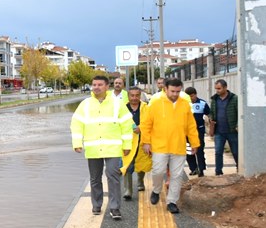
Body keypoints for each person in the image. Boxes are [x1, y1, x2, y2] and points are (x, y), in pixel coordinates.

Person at [71, 75, 134, 220]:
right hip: (93, 148)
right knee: (95, 178)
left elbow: (126, 125)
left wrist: (127, 145)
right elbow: (76, 123)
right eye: (94, 84)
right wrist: (77, 143)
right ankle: (97, 204)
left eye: (100, 84)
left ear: (107, 87)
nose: (96, 87)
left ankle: (115, 208)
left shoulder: (117, 104)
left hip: (112, 147)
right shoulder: (85, 104)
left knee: (113, 176)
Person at [141, 78, 199, 214]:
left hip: (178, 146)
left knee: (177, 175)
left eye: (178, 91)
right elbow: (146, 124)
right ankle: (156, 190)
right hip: (159, 146)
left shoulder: (185, 104)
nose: (175, 94)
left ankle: (172, 201)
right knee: (158, 171)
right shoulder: (155, 103)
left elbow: (191, 126)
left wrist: (194, 142)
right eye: (172, 91)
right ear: (165, 89)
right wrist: (146, 142)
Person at [121, 86, 151, 199]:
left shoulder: (145, 108)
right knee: (128, 164)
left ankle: (140, 181)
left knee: (141, 163)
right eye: (132, 95)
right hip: (127, 140)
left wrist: (140, 128)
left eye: (137, 95)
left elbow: (149, 122)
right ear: (128, 96)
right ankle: (128, 189)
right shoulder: (122, 108)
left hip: (141, 139)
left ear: (140, 96)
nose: (134, 98)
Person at [209, 79, 239, 175]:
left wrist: (237, 125)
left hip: (232, 131)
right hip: (219, 131)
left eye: (219, 88)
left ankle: (240, 168)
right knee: (218, 152)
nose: (217, 91)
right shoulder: (214, 99)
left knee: (235, 152)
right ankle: (218, 172)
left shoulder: (234, 98)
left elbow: (239, 113)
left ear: (225, 87)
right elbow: (211, 112)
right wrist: (211, 119)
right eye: (216, 89)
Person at [184, 87, 210, 177]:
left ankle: (201, 169)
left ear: (195, 94)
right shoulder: (184, 104)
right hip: (187, 131)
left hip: (199, 130)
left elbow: (209, 113)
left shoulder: (202, 103)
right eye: (189, 96)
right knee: (189, 151)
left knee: (199, 150)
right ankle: (193, 168)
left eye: (192, 96)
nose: (191, 98)